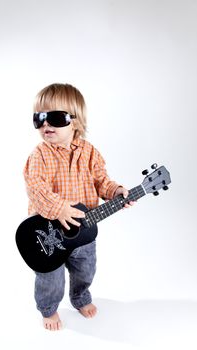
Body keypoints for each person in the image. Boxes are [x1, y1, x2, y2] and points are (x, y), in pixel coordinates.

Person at [23, 83, 134, 331]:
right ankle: (49, 309)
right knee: (49, 279)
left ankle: (80, 297)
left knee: (86, 269)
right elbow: (36, 188)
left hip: (83, 232)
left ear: (75, 120)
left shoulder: (89, 151)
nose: (45, 125)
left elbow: (100, 180)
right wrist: (59, 208)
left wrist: (114, 191)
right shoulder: (39, 155)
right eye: (39, 118)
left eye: (54, 118)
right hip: (47, 234)